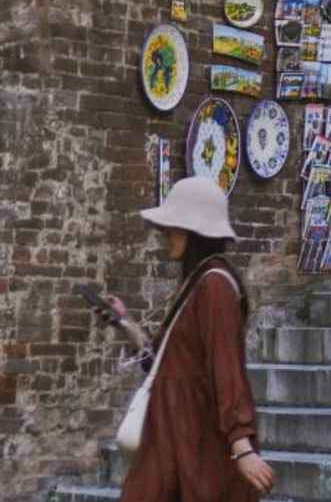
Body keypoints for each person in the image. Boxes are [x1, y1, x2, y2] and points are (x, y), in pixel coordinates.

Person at [93, 176, 274, 500]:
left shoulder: (215, 287)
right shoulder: (196, 284)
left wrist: (241, 445)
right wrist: (125, 323)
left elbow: (225, 366)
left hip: (197, 448)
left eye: (173, 226)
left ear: (196, 232)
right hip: (171, 441)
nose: (164, 234)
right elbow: (167, 364)